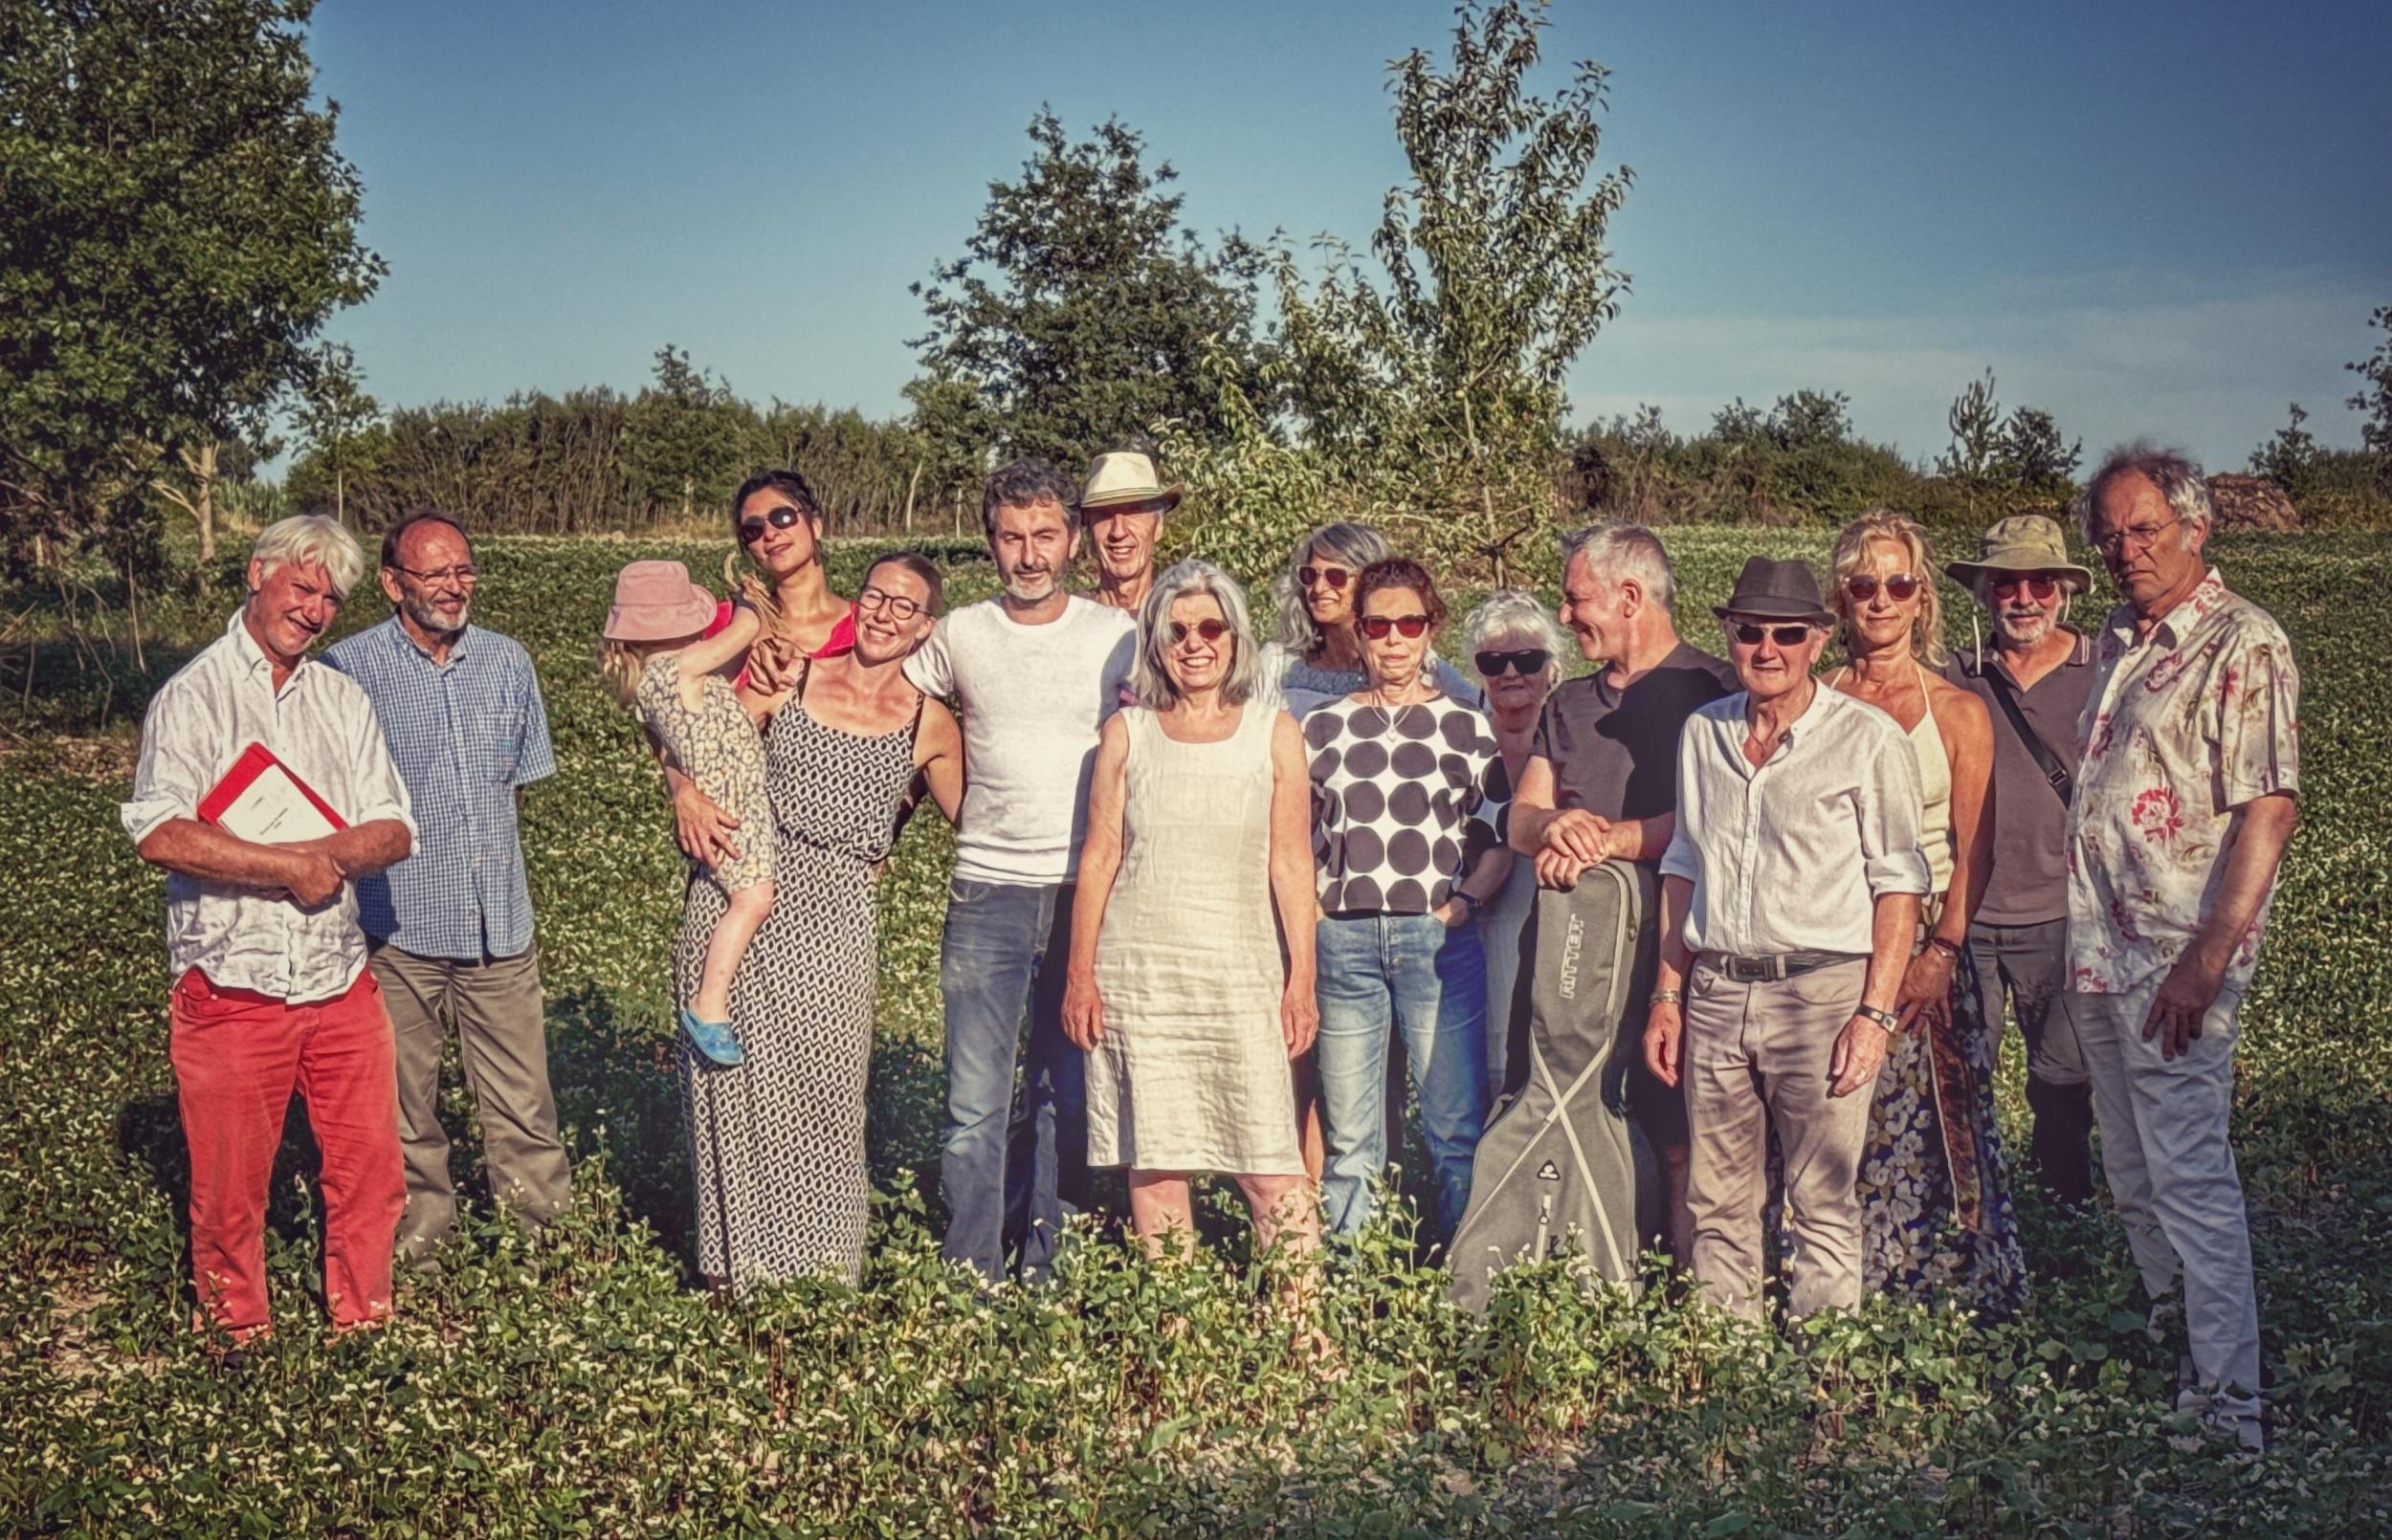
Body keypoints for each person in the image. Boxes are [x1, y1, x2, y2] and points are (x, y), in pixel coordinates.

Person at [121, 515, 417, 1339]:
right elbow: (159, 831)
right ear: (258, 574)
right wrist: (289, 865)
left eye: (331, 597)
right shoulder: (193, 694)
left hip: (337, 975)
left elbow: (393, 828)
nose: (316, 608)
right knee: (229, 1188)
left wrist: (320, 854)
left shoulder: (341, 696)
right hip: (231, 980)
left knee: (370, 1172)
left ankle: (364, 1321)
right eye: (302, 586)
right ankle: (239, 1336)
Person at [2069, 445, 2299, 1453]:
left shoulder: (2241, 641)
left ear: (2194, 530)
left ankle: (2231, 1403)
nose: (2124, 548)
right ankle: (2179, 1347)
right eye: (2109, 532)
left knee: (2190, 1176)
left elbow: (2267, 811)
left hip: (2173, 960)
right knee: (2130, 1168)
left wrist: (2207, 959)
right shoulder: (2123, 638)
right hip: (2100, 950)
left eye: (2143, 528)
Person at [1643, 557, 1929, 1321]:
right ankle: (1728, 1368)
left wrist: (1875, 1013)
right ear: (1730, 636)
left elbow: (1898, 881)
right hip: (1717, 989)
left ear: (1819, 639)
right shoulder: (1703, 734)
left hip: (1822, 991)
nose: (1767, 649)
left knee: (1822, 1197)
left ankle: (1820, 1384)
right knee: (1717, 1195)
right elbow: (1683, 864)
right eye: (1749, 632)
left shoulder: (1867, 739)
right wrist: (1667, 993)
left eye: (1787, 633)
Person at [672, 551, 963, 1288]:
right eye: (875, 596)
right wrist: (681, 787)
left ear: (926, 626)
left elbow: (981, 823)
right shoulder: (790, 674)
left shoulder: (933, 723)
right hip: (745, 887)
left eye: (905, 606)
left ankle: (821, 1281)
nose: (884, 614)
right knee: (727, 1087)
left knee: (826, 1095)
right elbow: (699, 735)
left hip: (837, 918)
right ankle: (734, 1278)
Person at [906, 458, 1139, 1285]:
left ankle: (1049, 1265)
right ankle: (972, 1271)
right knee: (974, 1099)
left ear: (1071, 540)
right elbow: (911, 716)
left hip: (1085, 893)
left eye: (1045, 536)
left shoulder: (1116, 636)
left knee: (1065, 1092)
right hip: (987, 892)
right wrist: (959, 806)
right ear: (990, 543)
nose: (1029, 555)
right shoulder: (959, 634)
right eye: (1012, 539)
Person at [323, 509, 570, 1266]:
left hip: (500, 921)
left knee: (524, 1102)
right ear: (394, 583)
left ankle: (543, 1247)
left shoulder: (508, 661)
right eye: (435, 574)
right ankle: (420, 1249)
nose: (455, 587)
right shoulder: (347, 669)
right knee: (403, 1105)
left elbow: (515, 789)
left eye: (464, 570)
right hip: (395, 928)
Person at [1063, 560, 1320, 1265]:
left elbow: (1293, 865)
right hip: (1140, 980)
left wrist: (1302, 979)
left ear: (1235, 638)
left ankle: (1303, 1334)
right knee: (1156, 1164)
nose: (1194, 643)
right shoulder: (1128, 733)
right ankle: (1178, 1333)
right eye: (1176, 631)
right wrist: (1080, 975)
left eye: (1210, 627)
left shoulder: (1274, 732)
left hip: (1241, 978)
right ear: (1155, 643)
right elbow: (1101, 858)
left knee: (1272, 1166)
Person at [1506, 522, 1739, 1266]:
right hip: (1570, 952)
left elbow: (1717, 818)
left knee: (1673, 1127)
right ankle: (1577, 1271)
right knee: (1558, 1103)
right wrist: (1556, 826)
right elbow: (1519, 818)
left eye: (1578, 601)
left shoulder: (1714, 693)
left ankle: (1677, 1280)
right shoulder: (1567, 703)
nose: (1566, 617)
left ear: (1630, 596)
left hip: (1674, 945)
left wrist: (1612, 839)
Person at [1825, 512, 2025, 1319]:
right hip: (1837, 935)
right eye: (1863, 584)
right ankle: (1840, 1286)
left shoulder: (1958, 710)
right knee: (1842, 1111)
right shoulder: (1818, 696)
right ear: (1841, 598)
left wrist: (1944, 947)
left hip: (1929, 940)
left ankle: (1948, 1292)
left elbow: (1976, 846)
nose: (1881, 600)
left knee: (1943, 1122)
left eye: (1897, 584)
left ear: (1922, 598)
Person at [1307, 558, 1507, 1240]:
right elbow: (1294, 836)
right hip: (1345, 946)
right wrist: (1313, 911)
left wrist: (1464, 906)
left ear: (1430, 630)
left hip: (1438, 944)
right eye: (1378, 624)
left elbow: (1501, 834)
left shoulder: (1466, 726)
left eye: (1409, 623)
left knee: (1452, 1127)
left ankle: (1462, 1287)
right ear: (1358, 634)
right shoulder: (1323, 727)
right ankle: (1351, 1291)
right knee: (1350, 1140)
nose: (1394, 639)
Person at [1942, 515, 2099, 1209]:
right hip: (1968, 919)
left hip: (2064, 918)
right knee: (1963, 1083)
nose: (2025, 598)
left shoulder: (2102, 670)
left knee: (2063, 1085)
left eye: (2041, 582)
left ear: (2065, 590)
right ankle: (1973, 1222)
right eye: (2007, 583)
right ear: (1984, 592)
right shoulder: (1954, 675)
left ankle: (2063, 1216)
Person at [600, 561, 777, 1066]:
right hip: (733, 805)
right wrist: (746, 598)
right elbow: (747, 629)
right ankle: (709, 1004)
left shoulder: (656, 681)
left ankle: (710, 1003)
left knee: (750, 898)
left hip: (731, 796)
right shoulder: (685, 667)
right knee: (754, 899)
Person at [668, 471, 853, 867]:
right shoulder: (723, 625)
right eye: (753, 529)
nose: (770, 533)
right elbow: (667, 723)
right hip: (735, 843)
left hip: (834, 852)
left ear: (815, 524)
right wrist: (682, 791)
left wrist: (888, 828)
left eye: (783, 517)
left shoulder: (868, 630)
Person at [1457, 590, 1570, 1093]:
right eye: (1492, 660)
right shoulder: (1459, 737)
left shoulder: (1574, 737)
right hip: (1474, 923)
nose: (1510, 672)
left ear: (1552, 667)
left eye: (1526, 659)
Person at [1261, 520, 1479, 716]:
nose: (1318, 588)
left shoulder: (1414, 663)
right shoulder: (1277, 665)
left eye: (1335, 577)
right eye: (1310, 576)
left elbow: (1481, 709)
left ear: (1369, 581)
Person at [1078, 451, 1178, 615]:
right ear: (1089, 528)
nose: (1118, 532)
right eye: (1105, 514)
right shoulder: (1074, 621)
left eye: (1134, 512)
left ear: (1158, 526)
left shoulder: (1180, 621)